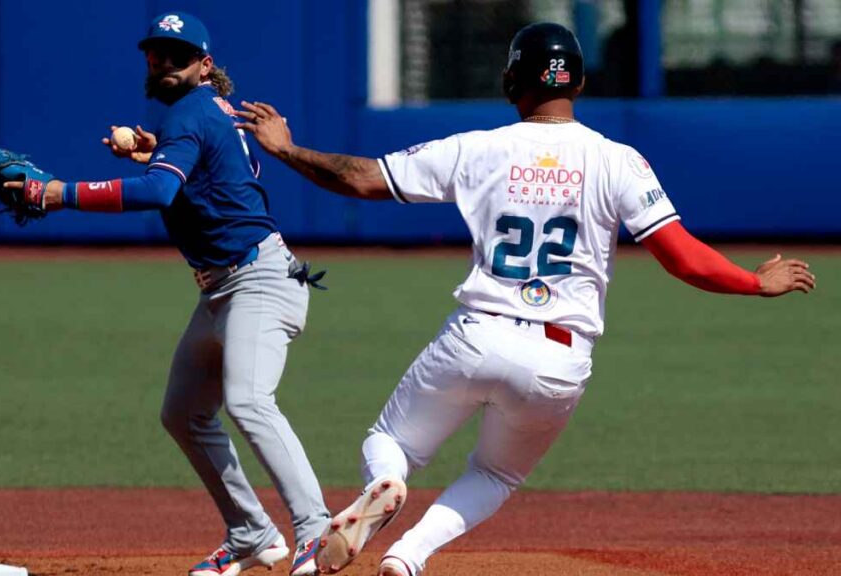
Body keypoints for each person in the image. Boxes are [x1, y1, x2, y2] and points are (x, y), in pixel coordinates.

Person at [234, 22, 816, 576]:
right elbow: (682, 256)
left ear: (513, 81)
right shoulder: (618, 160)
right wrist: (753, 281)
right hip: (560, 356)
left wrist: (286, 149)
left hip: (477, 333)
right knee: (494, 473)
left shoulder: (478, 149)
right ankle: (408, 555)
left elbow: (361, 178)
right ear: (581, 84)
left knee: (388, 444)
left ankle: (388, 483)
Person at [0, 11, 330, 576]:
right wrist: (158, 151)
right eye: (156, 53)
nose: (164, 62)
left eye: (178, 55)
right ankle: (252, 532)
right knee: (183, 413)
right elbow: (207, 172)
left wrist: (59, 193)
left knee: (249, 402)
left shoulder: (192, 113)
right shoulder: (204, 114)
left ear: (205, 65)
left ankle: (318, 528)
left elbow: (159, 192)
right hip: (224, 286)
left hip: (257, 278)